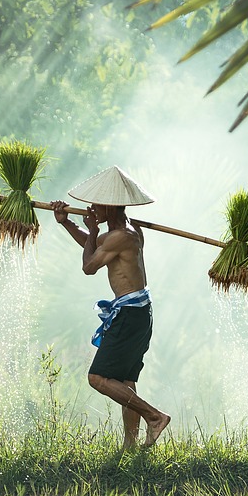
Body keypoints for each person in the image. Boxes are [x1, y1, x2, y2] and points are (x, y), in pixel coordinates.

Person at [51, 165, 171, 450]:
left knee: (98, 378)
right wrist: (66, 222)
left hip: (130, 314)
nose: (91, 207)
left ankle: (155, 417)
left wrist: (92, 229)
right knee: (124, 381)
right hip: (138, 311)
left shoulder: (123, 236)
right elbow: (92, 245)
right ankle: (130, 446)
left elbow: (89, 265)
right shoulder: (126, 231)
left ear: (110, 206)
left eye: (96, 203)